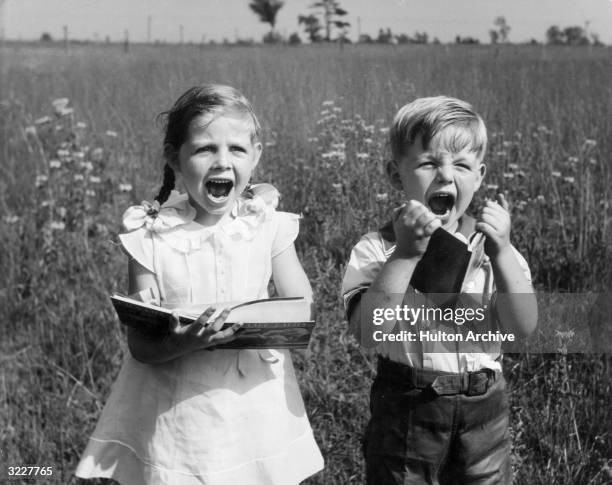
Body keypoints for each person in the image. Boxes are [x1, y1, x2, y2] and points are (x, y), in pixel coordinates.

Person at [75, 84, 324, 485]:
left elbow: (300, 305)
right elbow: (141, 345)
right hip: (179, 407)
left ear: (256, 156)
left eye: (237, 150)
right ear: (175, 157)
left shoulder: (268, 224)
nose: (222, 162)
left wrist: (266, 322)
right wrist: (184, 341)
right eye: (205, 149)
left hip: (254, 401)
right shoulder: (150, 233)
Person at [341, 96, 537, 484]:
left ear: (479, 176)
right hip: (408, 406)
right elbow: (368, 331)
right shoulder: (377, 248)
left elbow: (523, 327)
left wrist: (500, 253)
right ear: (396, 175)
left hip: (485, 408)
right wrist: (405, 256)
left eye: (462, 165)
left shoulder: (493, 247)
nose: (446, 176)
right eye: (429, 162)